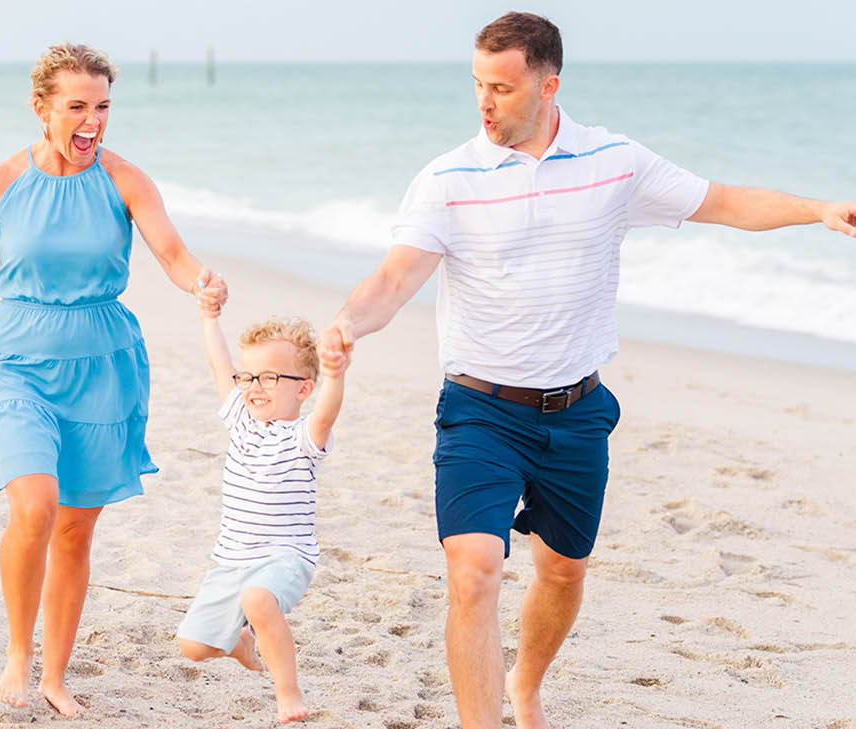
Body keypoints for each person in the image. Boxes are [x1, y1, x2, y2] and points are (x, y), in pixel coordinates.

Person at [315, 12, 856, 729]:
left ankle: (526, 684)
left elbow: (721, 201)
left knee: (563, 570)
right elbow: (394, 276)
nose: (485, 102)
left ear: (548, 84)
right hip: (480, 408)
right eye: (477, 84)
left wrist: (817, 208)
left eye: (503, 88)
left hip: (576, 411)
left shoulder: (616, 163)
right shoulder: (448, 178)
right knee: (474, 570)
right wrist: (350, 322)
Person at [0, 43, 226, 717]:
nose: (92, 121)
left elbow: (174, 254)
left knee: (74, 530)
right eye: (77, 107)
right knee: (34, 504)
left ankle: (55, 673)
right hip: (16, 358)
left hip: (102, 366)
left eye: (102, 107)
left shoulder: (126, 180)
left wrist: (203, 284)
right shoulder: (2, 181)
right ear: (42, 110)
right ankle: (18, 650)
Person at [176, 305, 343, 725]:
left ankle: (287, 691)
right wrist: (209, 317)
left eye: (269, 377)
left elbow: (328, 411)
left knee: (257, 598)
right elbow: (219, 363)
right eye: (249, 377)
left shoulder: (304, 438)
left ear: (303, 389)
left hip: (285, 556)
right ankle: (241, 642)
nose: (255, 386)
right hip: (232, 559)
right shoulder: (240, 423)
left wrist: (336, 375)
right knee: (193, 647)